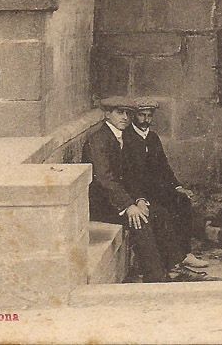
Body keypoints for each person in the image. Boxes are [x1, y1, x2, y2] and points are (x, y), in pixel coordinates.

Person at [80, 96, 188, 283]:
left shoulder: (121, 137)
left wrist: (139, 199)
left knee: (158, 213)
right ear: (107, 114)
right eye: (119, 112)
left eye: (128, 114)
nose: (125, 117)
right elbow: (105, 180)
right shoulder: (98, 140)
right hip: (104, 205)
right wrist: (128, 205)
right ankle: (155, 277)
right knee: (140, 221)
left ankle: (172, 265)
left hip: (119, 200)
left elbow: (130, 177)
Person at [123, 97, 210, 277]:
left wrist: (177, 187)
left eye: (149, 116)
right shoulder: (127, 138)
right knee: (160, 212)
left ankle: (185, 253)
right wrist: (138, 198)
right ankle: (170, 259)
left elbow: (164, 166)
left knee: (182, 201)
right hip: (137, 192)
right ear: (134, 116)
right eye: (141, 115)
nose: (146, 120)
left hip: (156, 189)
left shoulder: (153, 138)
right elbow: (128, 176)